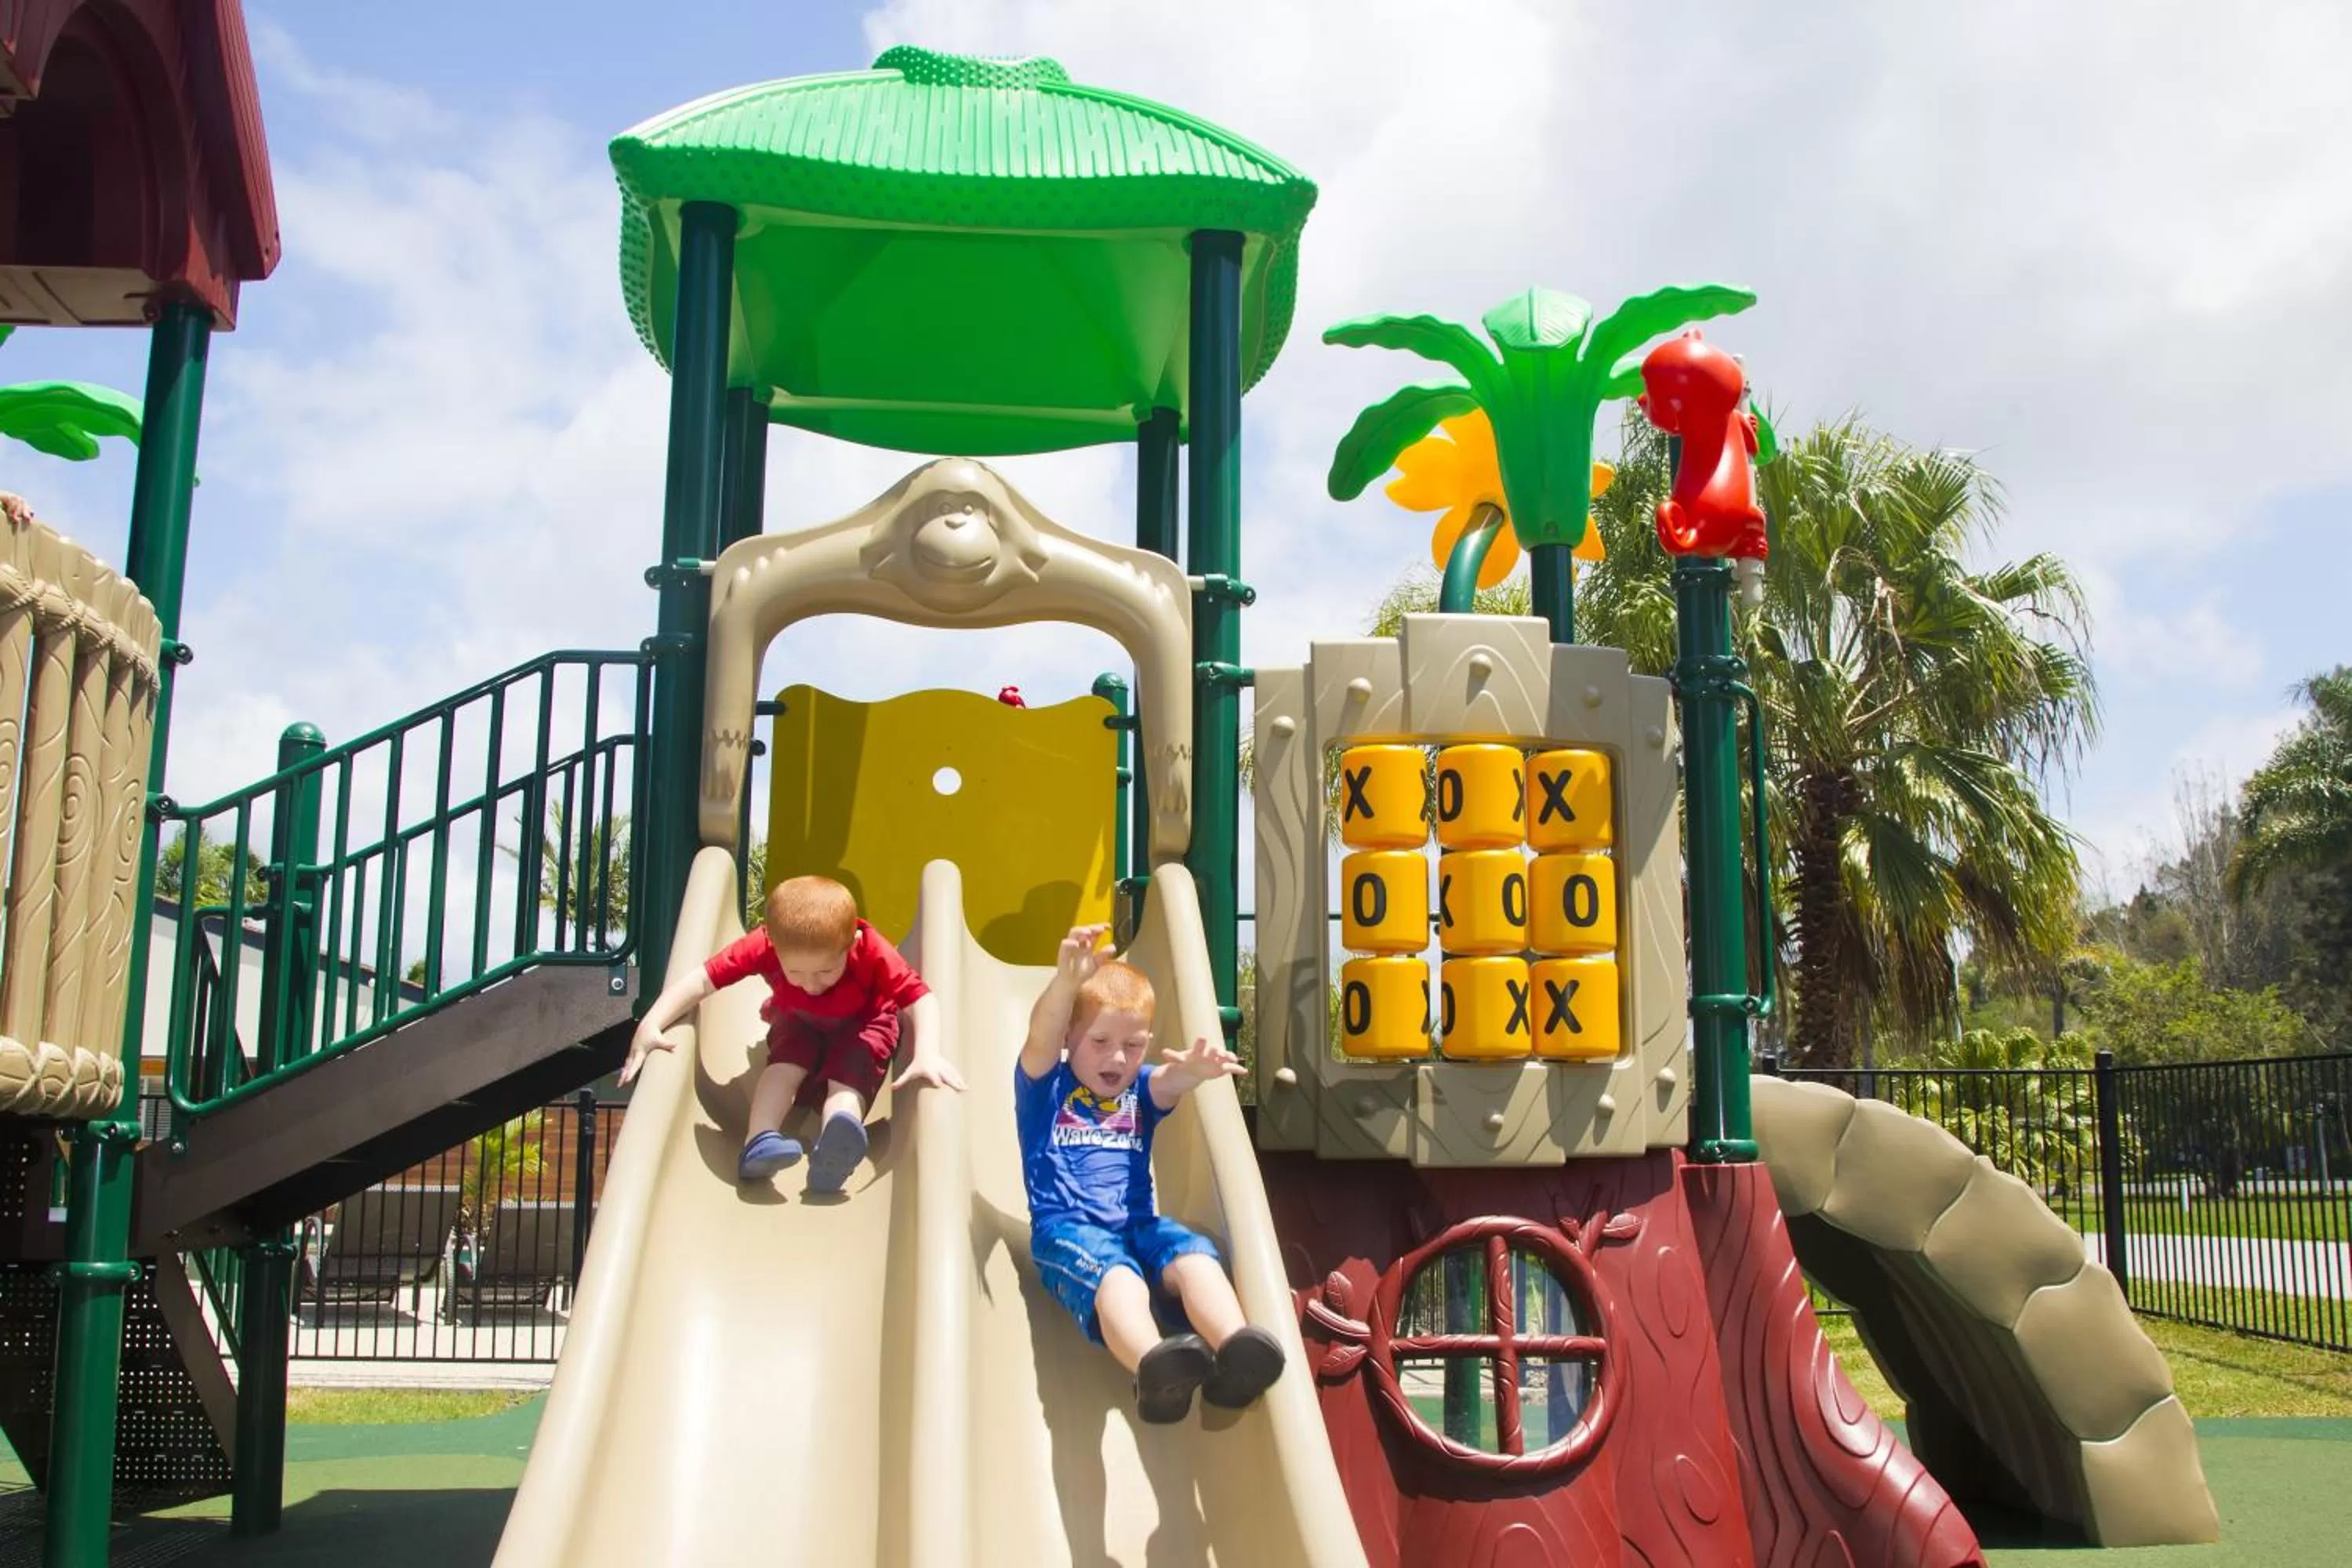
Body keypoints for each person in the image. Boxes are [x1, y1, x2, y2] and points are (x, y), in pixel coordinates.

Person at [1017, 924, 1285, 1423]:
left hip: (1138, 1226)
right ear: (1070, 1037)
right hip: (1068, 1230)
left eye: (1134, 1045)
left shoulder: (1139, 1089)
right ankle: (1153, 1367)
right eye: (1099, 1041)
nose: (1117, 1057)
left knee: (1194, 1255)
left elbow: (1168, 1082)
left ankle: (1234, 1353)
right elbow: (1039, 1036)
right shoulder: (1045, 1088)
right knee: (1120, 1280)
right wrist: (1064, 984)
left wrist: (1195, 1071)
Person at [622, 874, 964, 1191]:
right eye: (796, 972)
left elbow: (921, 997)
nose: (812, 984)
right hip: (798, 1019)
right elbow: (702, 979)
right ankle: (760, 1140)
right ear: (773, 944)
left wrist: (927, 1052)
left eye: (827, 971)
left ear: (852, 944)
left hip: (865, 1022)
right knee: (783, 1067)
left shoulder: (870, 948)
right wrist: (650, 1022)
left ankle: (837, 1136)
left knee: (850, 1073)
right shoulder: (765, 944)